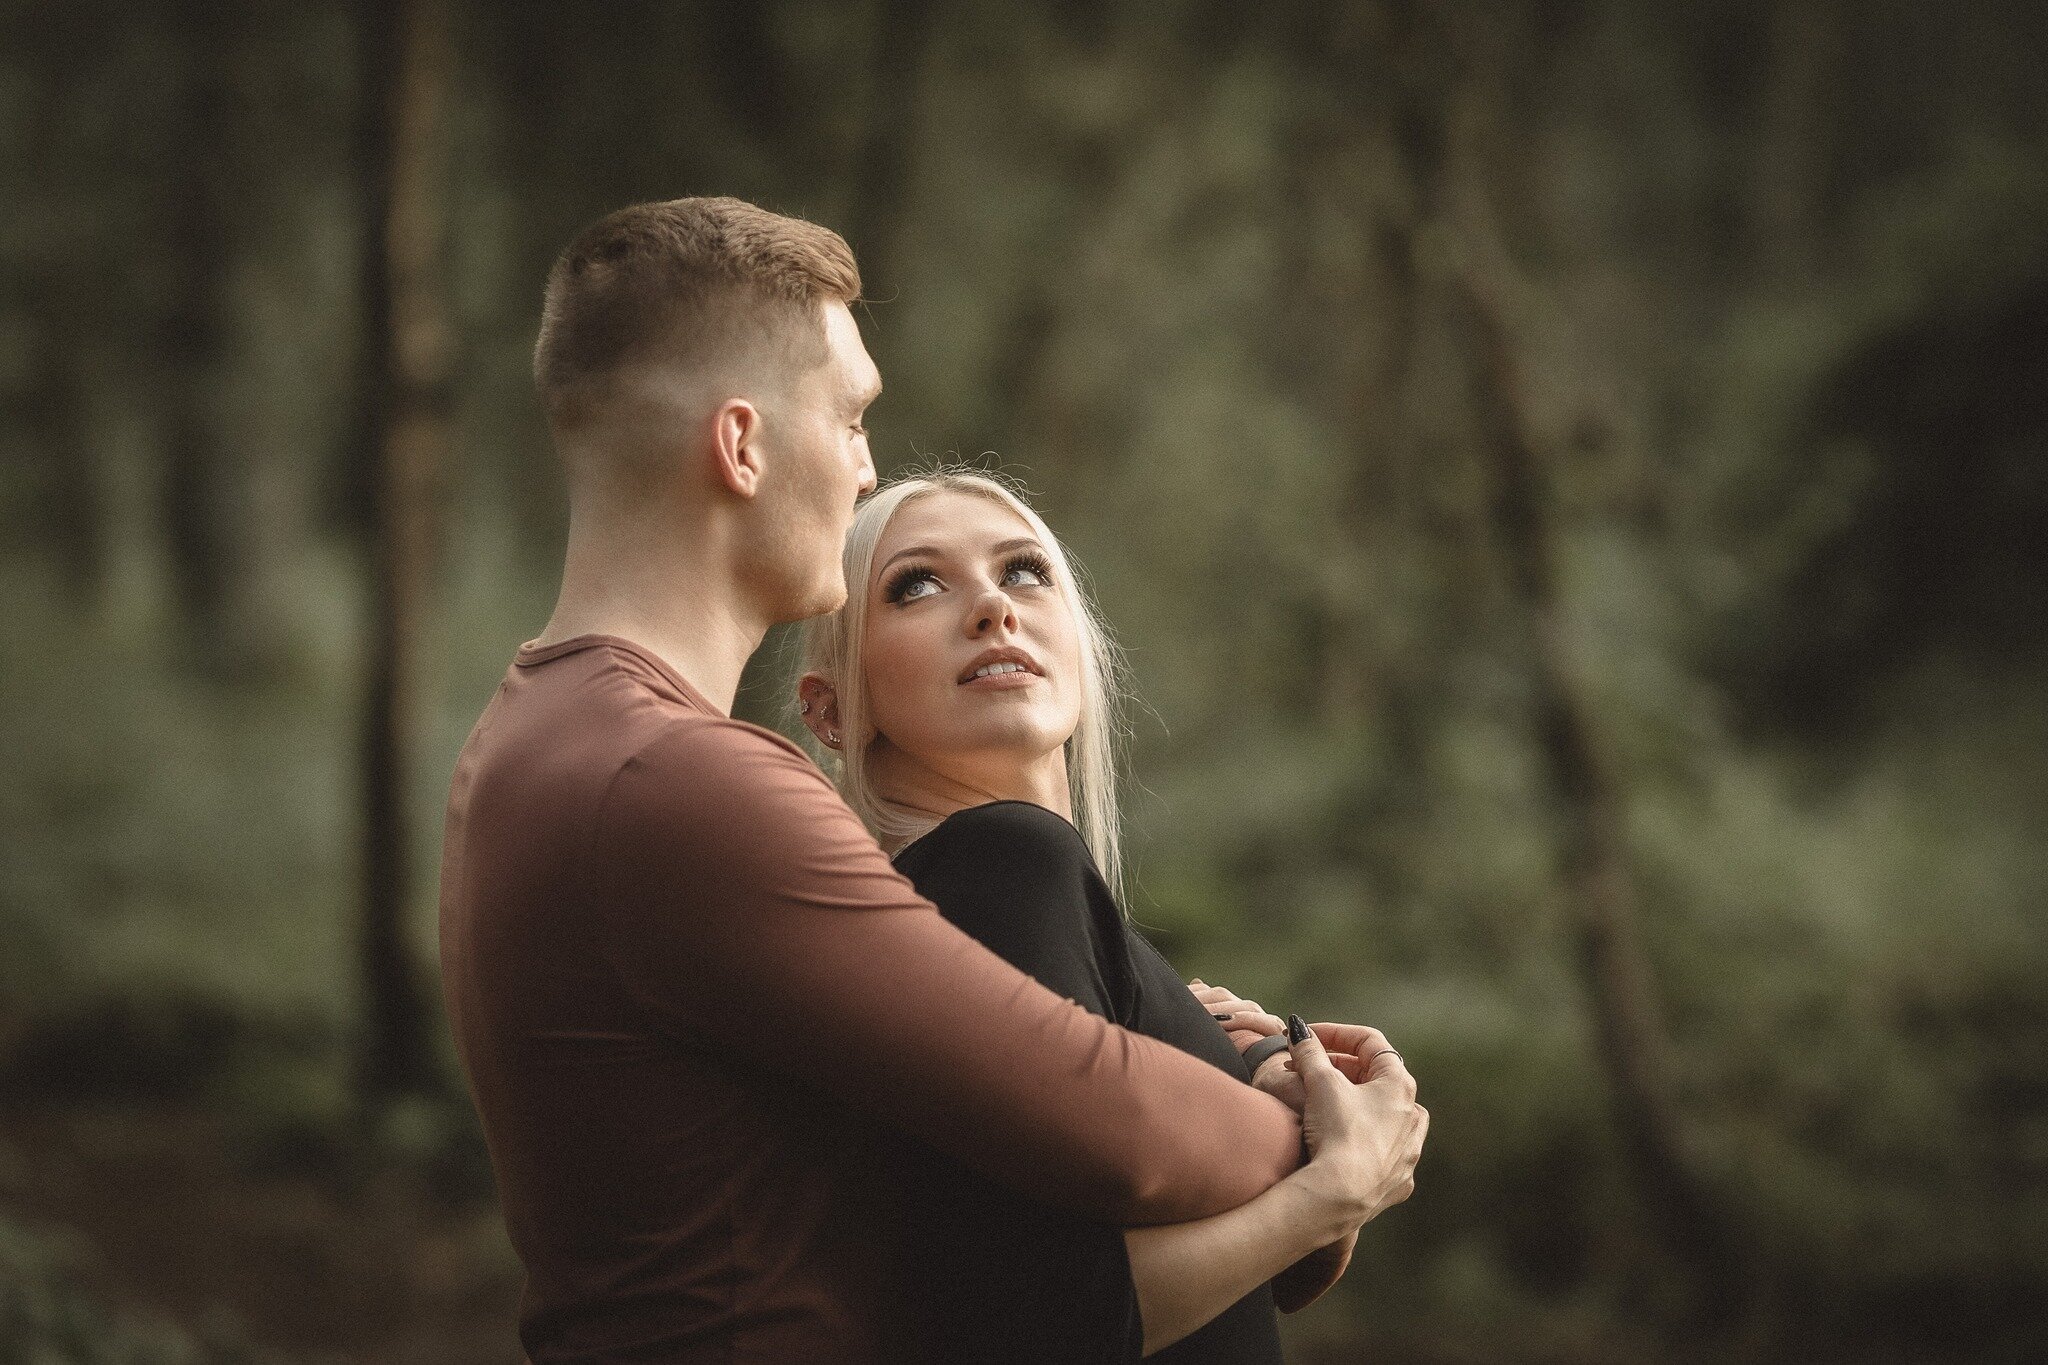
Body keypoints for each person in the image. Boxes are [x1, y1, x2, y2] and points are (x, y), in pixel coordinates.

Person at [437, 195, 1427, 1364]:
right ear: (741, 446)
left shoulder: (529, 739)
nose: (863, 468)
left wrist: (1220, 1057)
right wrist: (1323, 1134)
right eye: (851, 416)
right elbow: (1111, 1116)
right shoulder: (675, 780)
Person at [795, 468, 1427, 1360]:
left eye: (1023, 571)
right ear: (829, 711)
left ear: (1080, 644)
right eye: (919, 584)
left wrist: (1270, 1113)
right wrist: (1339, 1186)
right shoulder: (1003, 864)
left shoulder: (992, 907)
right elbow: (1048, 1324)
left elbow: (1255, 1283)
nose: (990, 608)